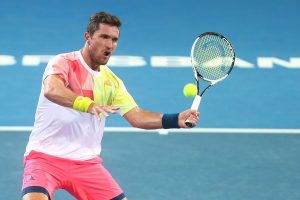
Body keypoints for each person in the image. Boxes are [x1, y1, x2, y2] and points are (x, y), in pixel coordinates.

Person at [21, 11, 199, 200]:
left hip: (86, 164)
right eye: (104, 37)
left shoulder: (112, 82)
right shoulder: (64, 62)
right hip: (45, 158)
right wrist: (87, 105)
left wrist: (175, 120)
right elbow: (51, 89)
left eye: (114, 40)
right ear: (88, 37)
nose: (109, 45)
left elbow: (137, 117)